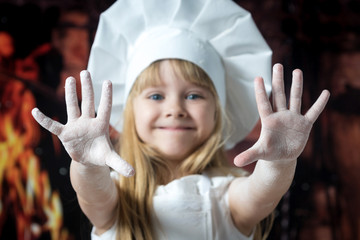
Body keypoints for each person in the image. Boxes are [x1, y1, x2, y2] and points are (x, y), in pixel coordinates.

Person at [31, 0, 330, 239]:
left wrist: (278, 162)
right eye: (156, 96)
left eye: (193, 95)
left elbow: (263, 192)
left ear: (218, 110)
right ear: (130, 109)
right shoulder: (117, 197)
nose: (175, 109)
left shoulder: (227, 196)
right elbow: (93, 194)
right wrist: (85, 164)